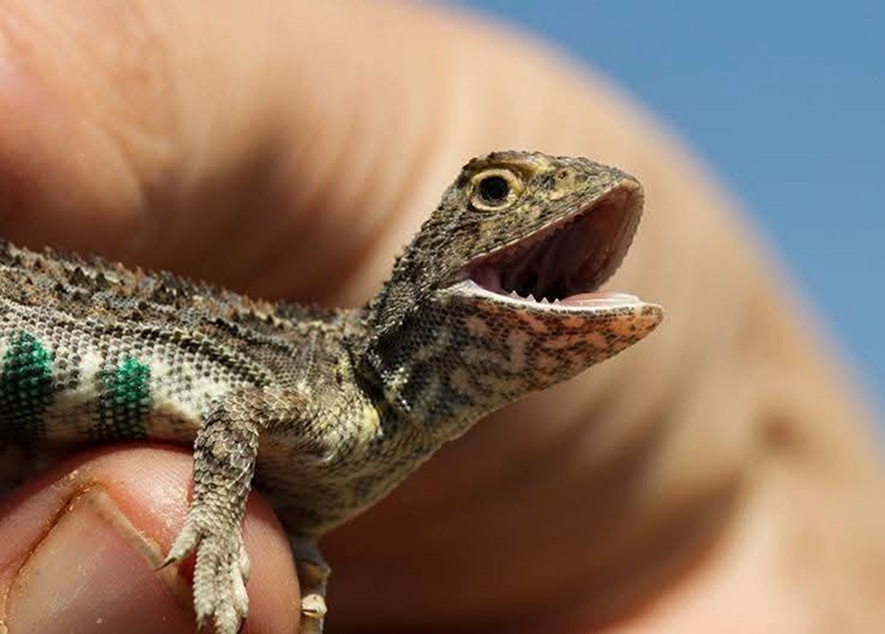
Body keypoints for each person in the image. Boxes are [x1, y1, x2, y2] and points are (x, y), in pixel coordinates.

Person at [0, 3, 882, 633]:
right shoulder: (336, 390)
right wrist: (221, 529)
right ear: (426, 266)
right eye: (494, 193)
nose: (552, 205)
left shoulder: (387, 439)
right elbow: (236, 414)